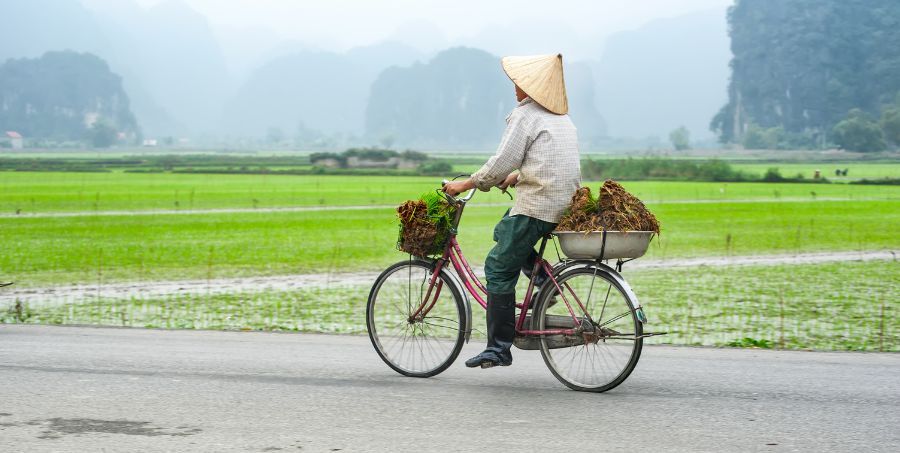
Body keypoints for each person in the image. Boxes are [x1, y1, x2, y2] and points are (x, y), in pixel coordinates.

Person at [443, 54, 581, 369]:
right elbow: (552, 160)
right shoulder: (562, 118)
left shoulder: (526, 115)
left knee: (497, 267)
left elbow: (503, 158)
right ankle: (543, 278)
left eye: (519, 83)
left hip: (538, 204)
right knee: (505, 229)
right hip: (563, 203)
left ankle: (498, 348)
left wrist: (467, 184)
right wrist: (517, 176)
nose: (515, 88)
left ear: (531, 87)